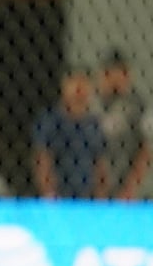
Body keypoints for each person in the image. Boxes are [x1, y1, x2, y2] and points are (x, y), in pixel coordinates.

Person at [33, 66, 106, 199]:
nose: (79, 89)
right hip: (58, 196)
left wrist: (100, 198)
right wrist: (49, 194)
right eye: (74, 82)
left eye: (83, 82)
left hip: (87, 197)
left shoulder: (94, 123)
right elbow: (43, 159)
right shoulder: (50, 120)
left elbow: (99, 163)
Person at [95, 49, 151, 200]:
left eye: (120, 74)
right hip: (92, 186)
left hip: (128, 185)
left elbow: (146, 150)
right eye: (108, 74)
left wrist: (130, 187)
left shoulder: (136, 106)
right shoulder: (91, 105)